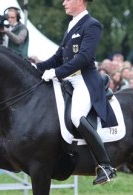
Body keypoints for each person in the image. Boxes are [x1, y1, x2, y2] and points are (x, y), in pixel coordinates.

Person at [36, 0, 118, 185]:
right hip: (69, 79)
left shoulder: (92, 24)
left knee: (76, 115)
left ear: (80, 1)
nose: (64, 2)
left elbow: (84, 57)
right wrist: (34, 67)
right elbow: (58, 57)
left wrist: (56, 72)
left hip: (85, 81)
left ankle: (106, 166)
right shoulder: (72, 23)